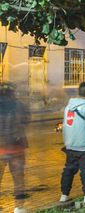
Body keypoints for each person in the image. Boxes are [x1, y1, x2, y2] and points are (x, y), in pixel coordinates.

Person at [0, 83, 29, 213]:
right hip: (16, 148)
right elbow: (26, 120)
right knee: (18, 178)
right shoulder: (19, 105)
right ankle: (19, 207)